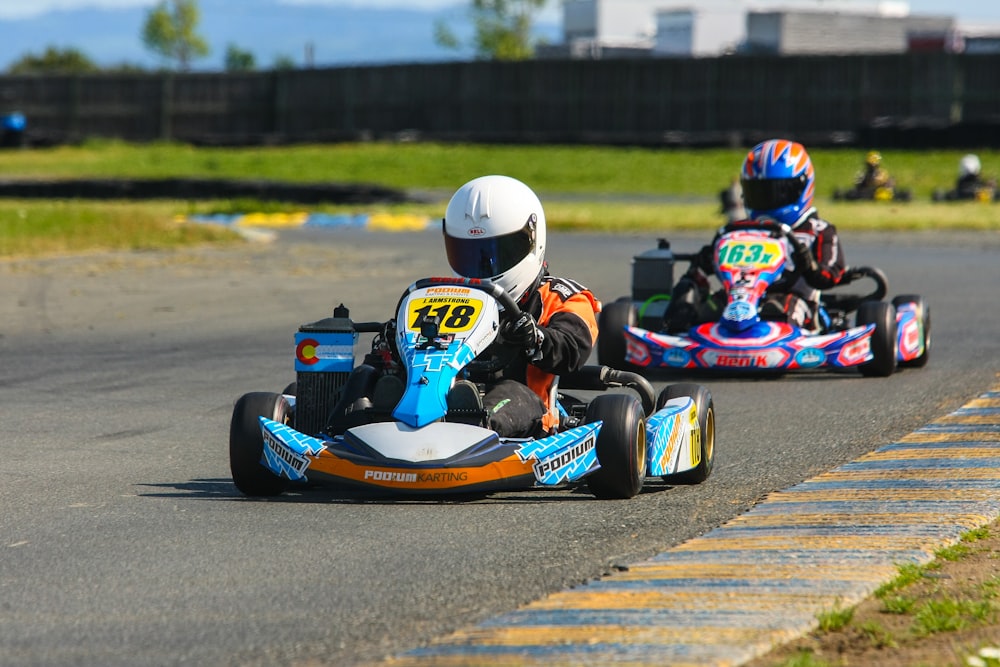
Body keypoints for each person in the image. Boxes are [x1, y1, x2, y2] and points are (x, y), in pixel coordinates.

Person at [442, 174, 601, 438]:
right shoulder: (450, 299)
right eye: (469, 253)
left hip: (525, 407)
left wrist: (536, 338)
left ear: (531, 240)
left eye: (496, 254)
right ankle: (361, 420)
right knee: (370, 378)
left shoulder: (561, 296)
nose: (483, 268)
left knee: (507, 395)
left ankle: (474, 429)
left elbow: (572, 349)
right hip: (445, 391)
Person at [662, 139, 847, 334]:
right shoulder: (737, 231)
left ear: (800, 188)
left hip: (795, 300)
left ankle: (775, 339)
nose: (766, 200)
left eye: (776, 191)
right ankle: (679, 335)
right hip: (737, 299)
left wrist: (809, 266)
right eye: (758, 192)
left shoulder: (817, 231)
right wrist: (692, 283)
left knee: (780, 310)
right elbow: (708, 261)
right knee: (706, 309)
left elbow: (831, 275)